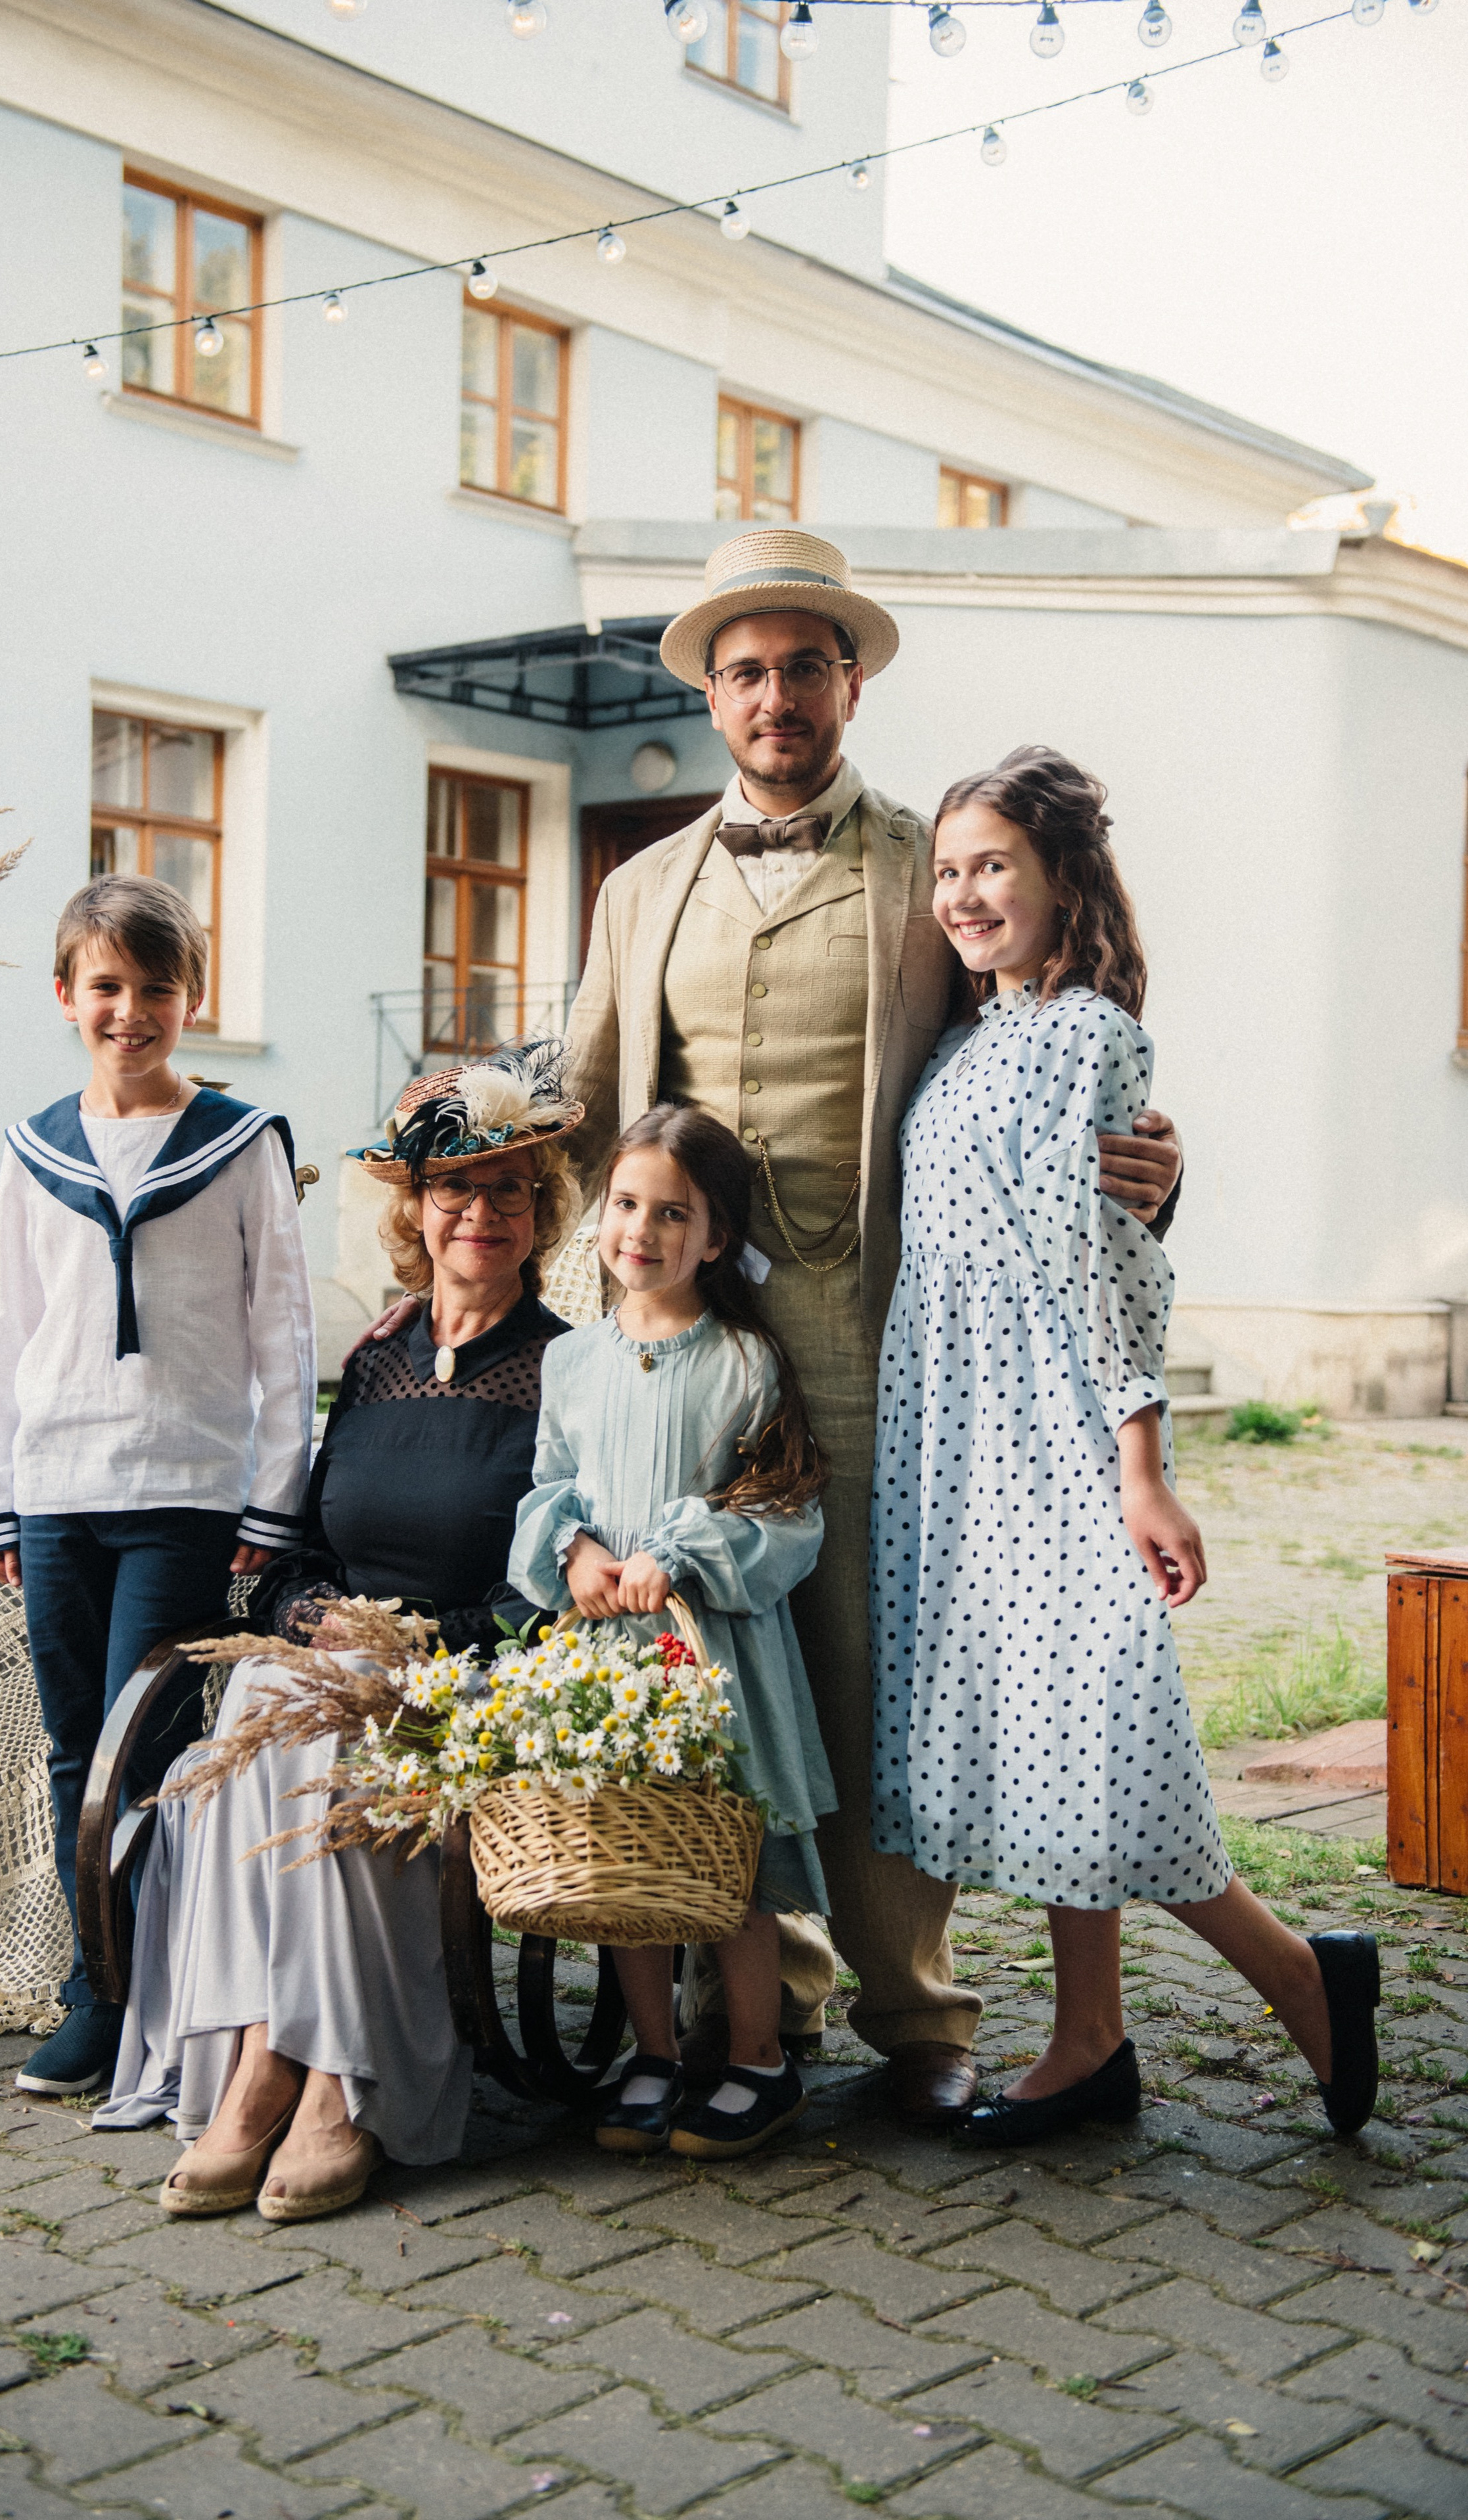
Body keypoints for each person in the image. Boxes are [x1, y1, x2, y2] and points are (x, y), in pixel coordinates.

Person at [559, 527, 1185, 2125]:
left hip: (880, 1322)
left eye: (803, 667)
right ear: (712, 696)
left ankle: (914, 2011)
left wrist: (1149, 1169)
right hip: (692, 1336)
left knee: (873, 1657)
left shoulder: (932, 863)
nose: (775, 697)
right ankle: (749, 1998)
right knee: (708, 1648)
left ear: (849, 683)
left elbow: (1040, 1050)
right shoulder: (637, 889)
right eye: (745, 672)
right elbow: (585, 1104)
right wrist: (579, 1312)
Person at [871, 747, 1379, 2140]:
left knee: (1100, 1727)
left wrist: (1141, 1468)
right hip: (955, 1433)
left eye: (993, 866)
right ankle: (1090, 2038)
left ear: (1062, 881)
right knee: (1043, 1734)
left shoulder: (1088, 1036)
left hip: (1052, 1431)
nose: (963, 895)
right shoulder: (969, 1039)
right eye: (949, 871)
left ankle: (1302, 1977)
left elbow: (1108, 1266)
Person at [95, 1045, 582, 2216]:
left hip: (474, 1680)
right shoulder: (373, 1362)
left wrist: (411, 1648)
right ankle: (266, 2056)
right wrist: (312, 1616)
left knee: (338, 1732)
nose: (481, 1214)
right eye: (454, 1189)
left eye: (508, 1191)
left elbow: (555, 1585)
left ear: (541, 1214)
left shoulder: (570, 1368)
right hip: (332, 1660)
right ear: (414, 1210)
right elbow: (297, 1552)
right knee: (255, 1719)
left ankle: (336, 2089)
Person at [0, 874, 315, 2100]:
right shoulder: (34, 1150)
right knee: (75, 1749)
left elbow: (283, 1333)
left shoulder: (240, 1144)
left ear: (191, 999)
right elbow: (0, 1331)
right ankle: (98, 1989)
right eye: (106, 986)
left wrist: (273, 1498)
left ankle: (149, 1990)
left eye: (156, 988)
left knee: (144, 1747)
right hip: (58, 1490)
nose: (130, 1011)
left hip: (184, 1492)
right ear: (65, 995)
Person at [510, 1103, 836, 2161]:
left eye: (672, 1213)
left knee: (723, 1860)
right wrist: (573, 1552)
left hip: (709, 1657)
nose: (640, 1231)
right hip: (607, 1654)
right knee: (626, 1858)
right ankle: (653, 2053)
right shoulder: (572, 1361)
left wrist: (684, 1552)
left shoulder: (744, 1361)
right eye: (625, 1205)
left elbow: (785, 1513)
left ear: (716, 1237)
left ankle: (757, 2058)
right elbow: (550, 1484)